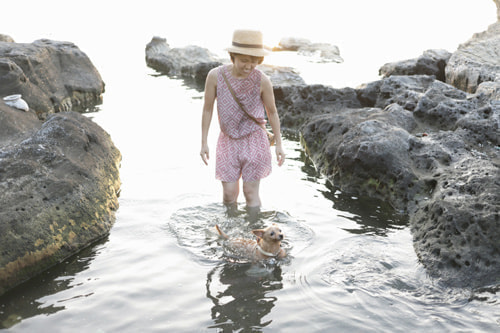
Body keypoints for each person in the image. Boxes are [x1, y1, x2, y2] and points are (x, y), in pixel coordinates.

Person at [200, 29, 285, 215]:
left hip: (254, 139)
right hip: (227, 140)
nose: (249, 65)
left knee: (250, 192)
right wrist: (204, 142)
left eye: (254, 60)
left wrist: (279, 143)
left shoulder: (262, 80)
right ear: (233, 56)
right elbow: (207, 109)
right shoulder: (215, 76)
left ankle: (255, 234)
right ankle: (230, 234)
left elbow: (272, 112)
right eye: (244, 60)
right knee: (229, 194)